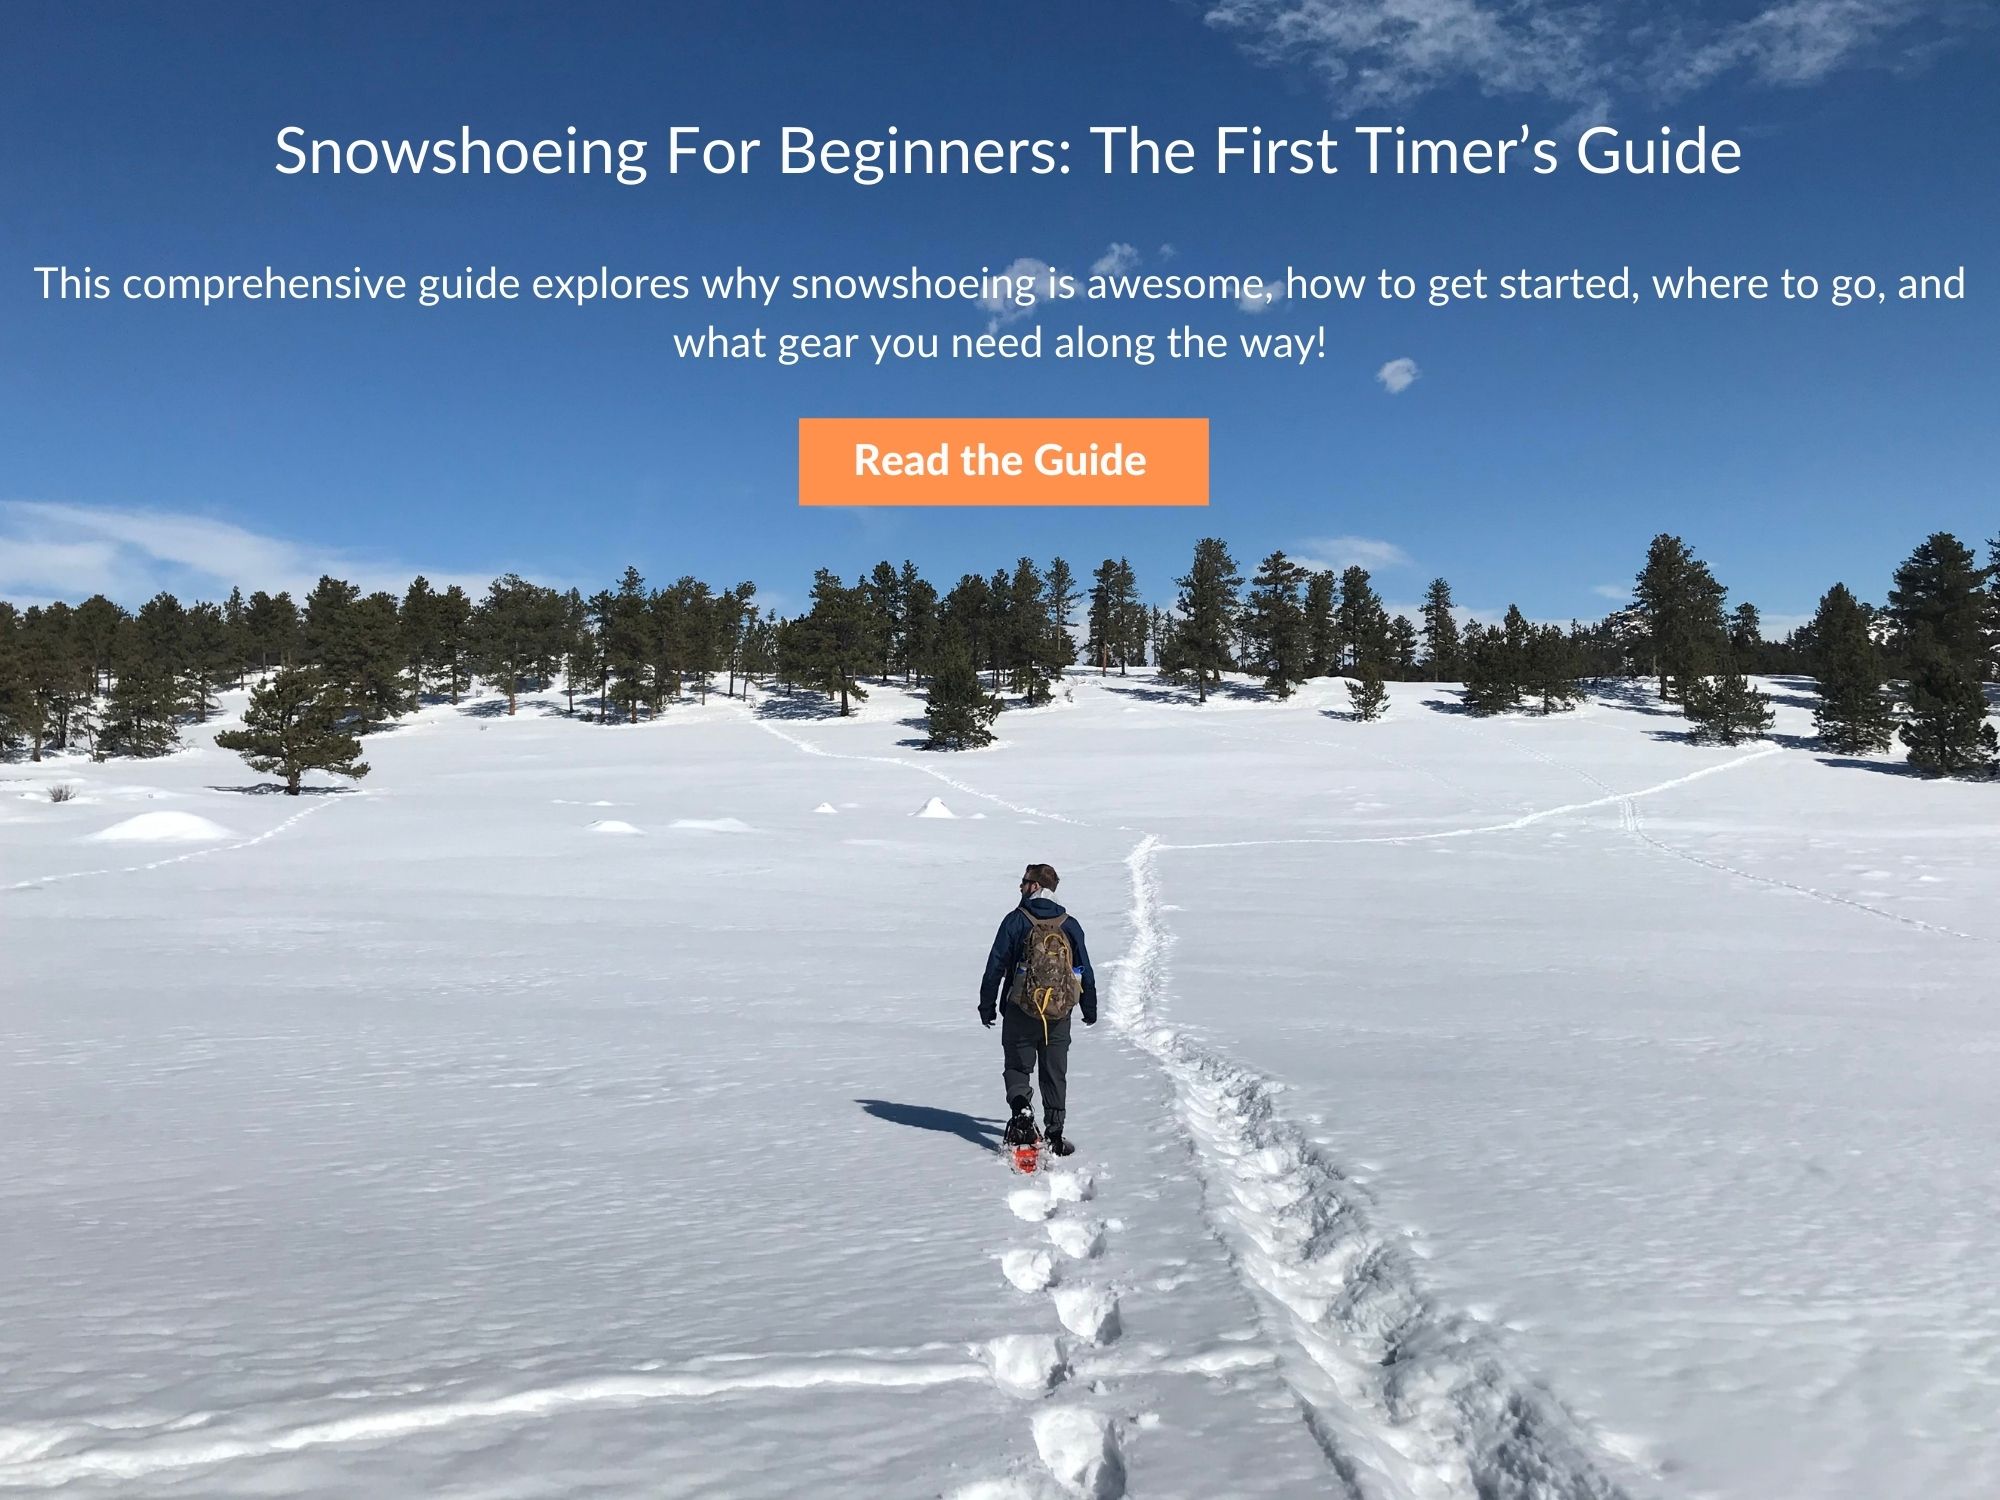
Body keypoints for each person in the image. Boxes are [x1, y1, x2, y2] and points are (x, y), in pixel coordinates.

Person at [979, 862, 1097, 1156]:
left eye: (1023, 882)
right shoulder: (1069, 924)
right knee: (1054, 1073)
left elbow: (995, 966)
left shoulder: (1015, 921)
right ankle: (1055, 1136)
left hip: (1020, 1009)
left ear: (1035, 886)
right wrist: (1088, 1006)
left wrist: (988, 1005)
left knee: (1018, 1067)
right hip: (1058, 1014)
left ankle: (1021, 1109)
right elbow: (1082, 968)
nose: (1020, 887)